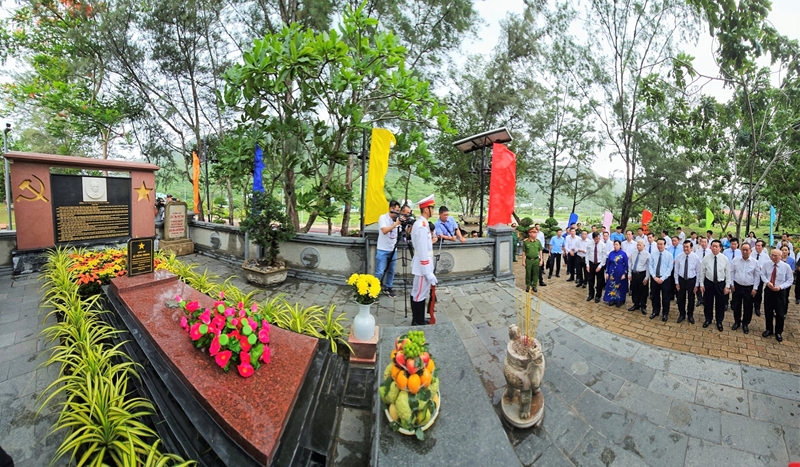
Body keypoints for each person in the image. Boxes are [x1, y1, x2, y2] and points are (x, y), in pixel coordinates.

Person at [410, 195, 437, 326]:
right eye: (432, 208)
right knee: (418, 294)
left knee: (419, 292)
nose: (434, 210)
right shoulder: (421, 225)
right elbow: (421, 250)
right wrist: (428, 272)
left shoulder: (423, 224)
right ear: (426, 209)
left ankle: (418, 318)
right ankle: (417, 320)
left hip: (423, 265)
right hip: (422, 267)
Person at [761, 249, 793, 342]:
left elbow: (790, 280)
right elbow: (762, 274)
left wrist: (781, 287)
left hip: (780, 291)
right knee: (768, 311)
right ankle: (769, 329)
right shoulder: (767, 264)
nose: (773, 257)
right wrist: (767, 282)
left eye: (776, 256)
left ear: (781, 256)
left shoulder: (786, 266)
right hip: (769, 290)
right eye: (772, 255)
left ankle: (778, 332)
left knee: (780, 313)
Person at [699, 240, 731, 331]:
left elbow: (728, 273)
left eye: (716, 246)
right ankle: (708, 319)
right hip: (709, 283)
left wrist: (727, 286)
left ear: (720, 248)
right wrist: (701, 284)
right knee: (708, 302)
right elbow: (702, 272)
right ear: (710, 247)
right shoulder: (706, 258)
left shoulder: (724, 259)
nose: (714, 248)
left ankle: (719, 321)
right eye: (713, 246)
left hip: (720, 284)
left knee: (720, 304)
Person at [730, 243, 760, 334]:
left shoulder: (755, 262)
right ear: (741, 250)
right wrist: (731, 284)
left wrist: (755, 288)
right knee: (736, 305)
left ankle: (745, 323)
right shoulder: (735, 260)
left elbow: (757, 276)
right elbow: (731, 272)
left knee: (748, 307)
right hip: (737, 286)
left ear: (751, 251)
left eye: (747, 250)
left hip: (749, 288)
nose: (745, 252)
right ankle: (737, 322)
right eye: (743, 250)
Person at [375, 200, 402, 298]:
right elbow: (384, 231)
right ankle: (375, 290)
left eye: (398, 210)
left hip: (393, 249)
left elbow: (404, 232)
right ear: (391, 208)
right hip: (382, 249)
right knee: (380, 271)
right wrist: (395, 224)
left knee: (391, 270)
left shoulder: (398, 219)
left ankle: (388, 288)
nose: (397, 212)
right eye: (395, 210)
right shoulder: (383, 217)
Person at [674, 240, 700, 324]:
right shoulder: (679, 256)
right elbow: (676, 270)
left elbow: (698, 272)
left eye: (687, 247)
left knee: (691, 299)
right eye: (684, 247)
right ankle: (682, 314)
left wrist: (696, 285)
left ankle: (690, 315)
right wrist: (677, 282)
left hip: (691, 281)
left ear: (691, 248)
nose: (685, 249)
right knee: (680, 298)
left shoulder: (695, 257)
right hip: (681, 280)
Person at [649, 238, 674, 321]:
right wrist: (654, 276)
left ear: (665, 245)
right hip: (654, 278)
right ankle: (655, 311)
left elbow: (669, 268)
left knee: (665, 297)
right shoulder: (653, 254)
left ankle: (665, 313)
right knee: (655, 296)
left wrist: (662, 278)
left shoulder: (669, 255)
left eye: (661, 244)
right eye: (658, 244)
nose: (659, 246)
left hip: (665, 279)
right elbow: (650, 266)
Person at [603, 240, 629, 307]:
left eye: (617, 244)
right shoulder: (611, 253)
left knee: (620, 286)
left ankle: (619, 300)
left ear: (620, 246)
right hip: (612, 273)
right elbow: (608, 264)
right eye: (614, 244)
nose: (615, 246)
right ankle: (612, 299)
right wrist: (607, 272)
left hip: (620, 273)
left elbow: (626, 265)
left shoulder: (623, 254)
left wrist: (624, 273)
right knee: (611, 286)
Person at [628, 239, 650, 315]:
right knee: (634, 290)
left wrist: (646, 277)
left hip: (642, 274)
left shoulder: (647, 254)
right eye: (637, 245)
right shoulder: (633, 253)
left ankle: (643, 306)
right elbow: (630, 263)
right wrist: (629, 274)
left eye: (640, 245)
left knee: (643, 291)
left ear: (644, 246)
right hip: (634, 274)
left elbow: (648, 267)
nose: (638, 246)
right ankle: (636, 304)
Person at [585, 232, 607, 303]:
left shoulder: (603, 245)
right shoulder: (589, 244)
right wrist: (587, 265)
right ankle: (591, 294)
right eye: (596, 239)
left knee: (599, 281)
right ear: (593, 238)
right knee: (590, 280)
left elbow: (604, 257)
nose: (597, 240)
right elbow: (587, 255)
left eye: (598, 238)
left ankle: (598, 296)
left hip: (599, 264)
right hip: (591, 264)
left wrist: (600, 266)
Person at [522, 226, 544, 293]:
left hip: (536, 260)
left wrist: (541, 259)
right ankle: (528, 286)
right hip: (528, 260)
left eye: (536, 232)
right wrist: (523, 261)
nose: (535, 234)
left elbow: (540, 250)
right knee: (528, 273)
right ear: (530, 233)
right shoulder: (526, 242)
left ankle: (534, 286)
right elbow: (524, 251)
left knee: (536, 273)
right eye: (533, 232)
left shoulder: (538, 242)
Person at [753, 240, 770, 317]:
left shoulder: (766, 256)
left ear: (763, 247)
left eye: (759, 246)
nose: (757, 247)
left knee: (758, 292)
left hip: (760, 277)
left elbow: (767, 267)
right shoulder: (751, 253)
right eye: (756, 245)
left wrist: (761, 267)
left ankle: (757, 307)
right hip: (751, 276)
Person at [693, 237, 711, 308]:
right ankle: (699, 299)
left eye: (705, 242)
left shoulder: (710, 252)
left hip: (707, 271)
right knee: (698, 284)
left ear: (707, 243)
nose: (703, 244)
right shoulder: (697, 252)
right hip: (699, 271)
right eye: (702, 242)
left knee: (706, 285)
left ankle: (705, 299)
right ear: (700, 243)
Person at [780, 245, 795, 315]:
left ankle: (784, 311)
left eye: (786, 250)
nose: (784, 252)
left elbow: (793, 270)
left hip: (787, 281)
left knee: (785, 297)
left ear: (788, 251)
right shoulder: (778, 259)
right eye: (783, 250)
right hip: (778, 281)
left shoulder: (791, 260)